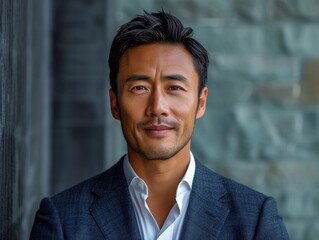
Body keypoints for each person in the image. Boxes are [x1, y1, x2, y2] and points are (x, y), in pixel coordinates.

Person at [30, 10, 289, 240]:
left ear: (201, 103)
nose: (157, 107)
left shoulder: (255, 220)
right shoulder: (63, 220)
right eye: (139, 87)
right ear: (115, 103)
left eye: (174, 88)